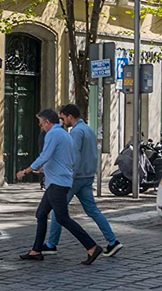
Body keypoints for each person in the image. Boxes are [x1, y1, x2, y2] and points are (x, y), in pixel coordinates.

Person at [17, 108, 102, 264]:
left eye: (41, 123)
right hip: (57, 182)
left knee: (63, 218)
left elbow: (45, 155)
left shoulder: (53, 134)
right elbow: (63, 158)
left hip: (57, 183)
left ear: (47, 122)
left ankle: (92, 247)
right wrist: (45, 168)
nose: (41, 126)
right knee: (41, 214)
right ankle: (36, 251)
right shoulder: (64, 134)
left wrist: (26, 170)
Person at [45, 103, 121, 255]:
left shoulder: (76, 132)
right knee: (93, 210)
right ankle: (112, 241)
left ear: (70, 117)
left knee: (57, 210)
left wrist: (67, 176)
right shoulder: (89, 130)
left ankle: (51, 244)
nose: (62, 121)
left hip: (75, 178)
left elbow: (74, 156)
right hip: (87, 176)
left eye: (63, 118)